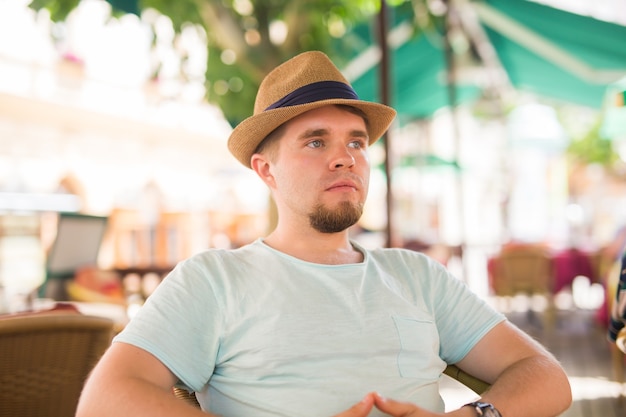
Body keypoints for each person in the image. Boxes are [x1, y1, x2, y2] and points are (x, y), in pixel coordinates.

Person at [76, 51, 571, 417]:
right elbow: (105, 399)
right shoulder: (216, 278)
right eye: (316, 141)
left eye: (356, 142)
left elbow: (546, 377)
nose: (346, 157)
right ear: (265, 170)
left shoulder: (416, 275)